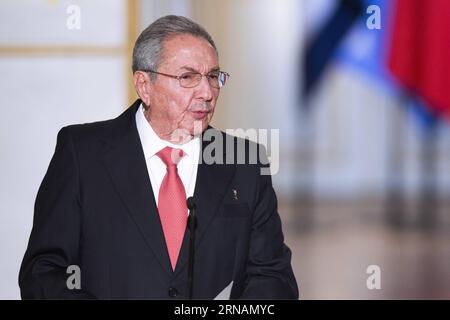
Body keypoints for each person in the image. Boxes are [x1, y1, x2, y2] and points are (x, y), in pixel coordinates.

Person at [19, 15, 298, 299]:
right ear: (144, 85)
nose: (207, 92)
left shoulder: (244, 162)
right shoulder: (82, 154)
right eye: (187, 77)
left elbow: (272, 278)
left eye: (213, 76)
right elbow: (43, 273)